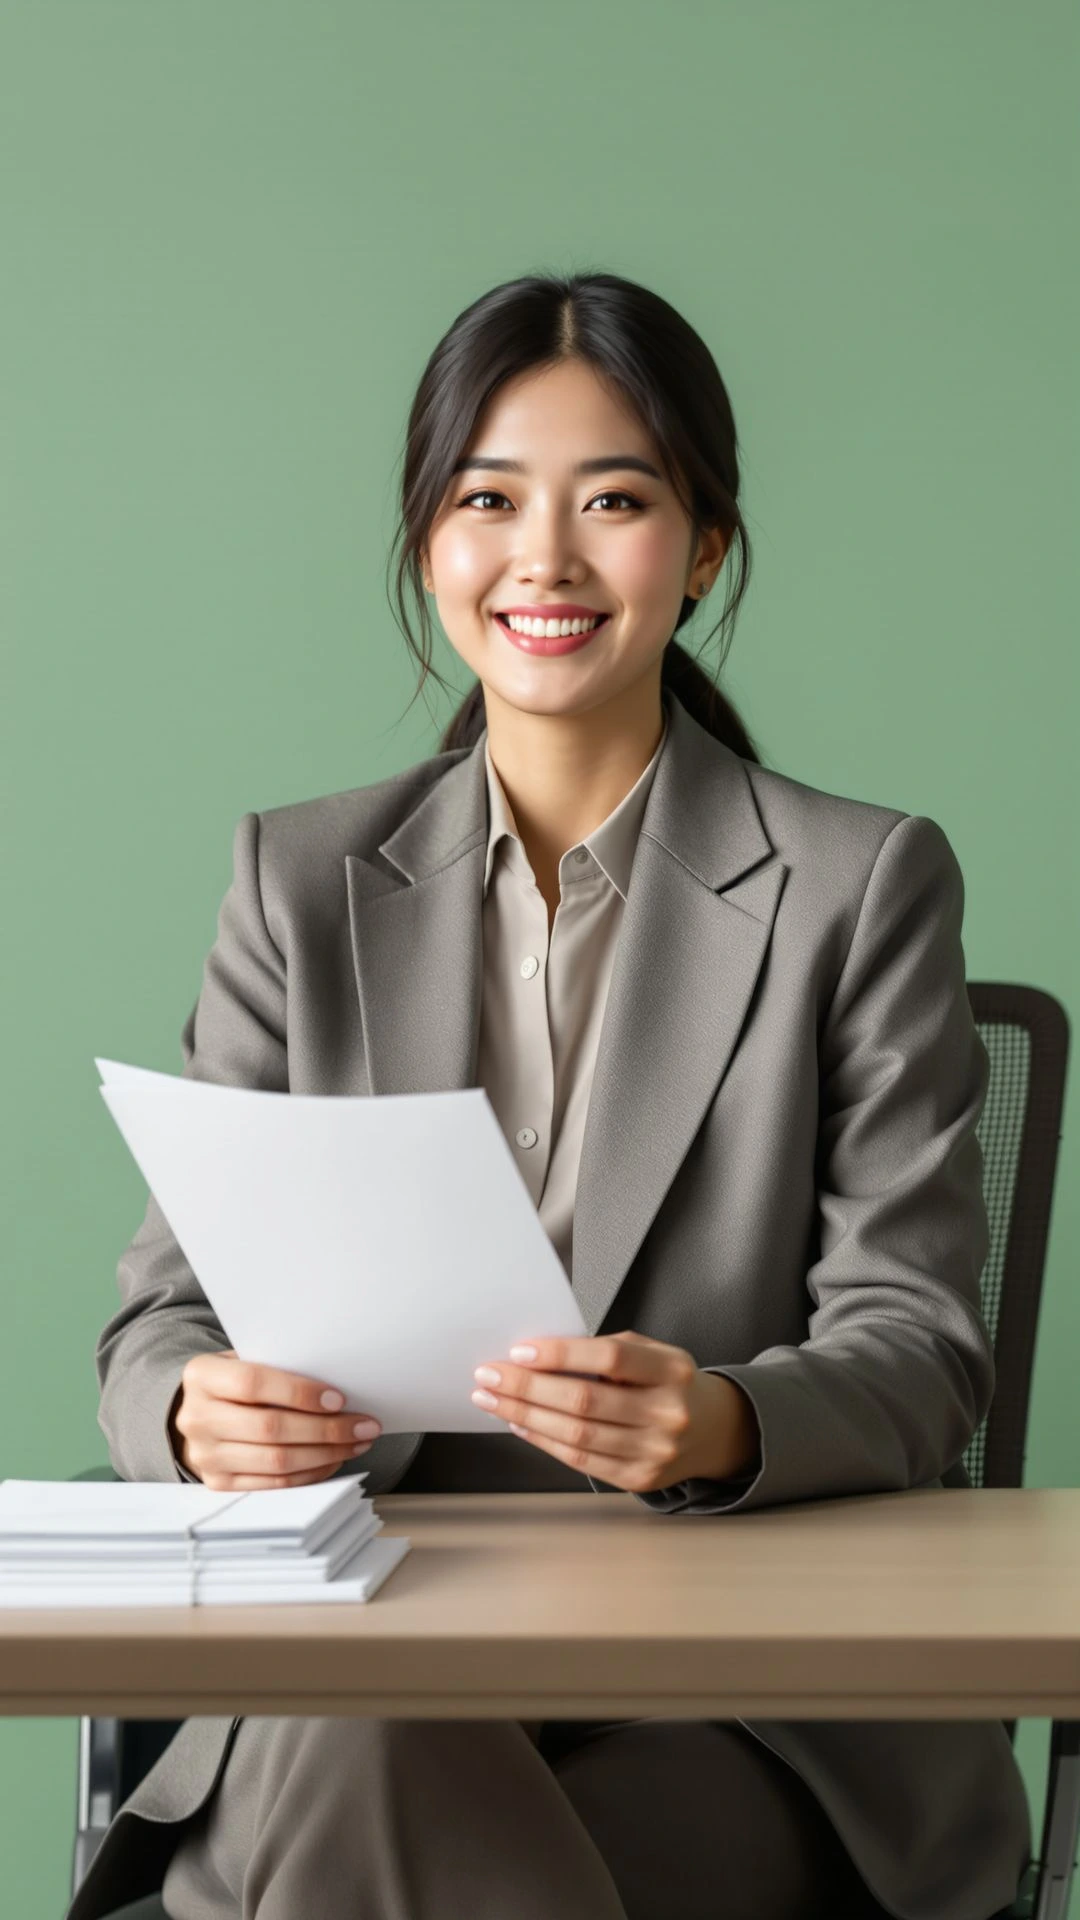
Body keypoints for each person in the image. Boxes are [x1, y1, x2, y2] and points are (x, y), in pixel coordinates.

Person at [68, 270, 1032, 1920]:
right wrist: (188, 1410)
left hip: (726, 1699)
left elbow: (919, 1341)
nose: (547, 559)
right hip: (364, 1636)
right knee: (363, 1745)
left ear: (705, 546)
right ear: (428, 543)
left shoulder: (859, 884)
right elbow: (162, 1318)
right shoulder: (296, 885)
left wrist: (721, 1422)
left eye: (617, 501)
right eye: (488, 500)